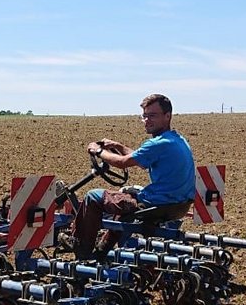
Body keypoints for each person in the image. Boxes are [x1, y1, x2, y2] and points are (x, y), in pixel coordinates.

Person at [72, 93, 196, 258]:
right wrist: (117, 146)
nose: (147, 120)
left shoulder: (157, 144)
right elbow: (138, 158)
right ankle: (103, 249)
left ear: (168, 116)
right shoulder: (176, 140)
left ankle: (82, 251)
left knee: (92, 196)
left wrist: (99, 151)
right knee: (125, 197)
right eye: (144, 116)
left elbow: (122, 162)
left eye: (152, 116)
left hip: (156, 204)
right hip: (177, 205)